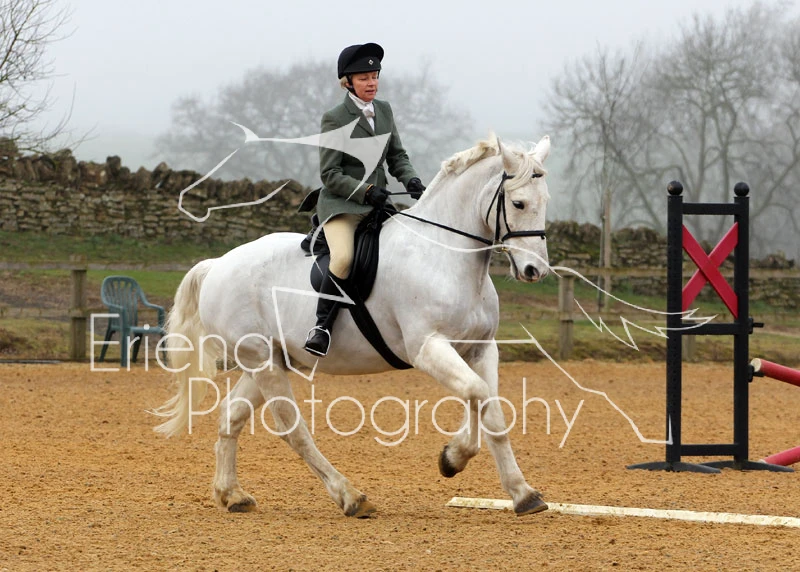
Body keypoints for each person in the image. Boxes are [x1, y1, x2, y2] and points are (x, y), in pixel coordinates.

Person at [304, 42, 426, 357]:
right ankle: (321, 328)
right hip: (343, 206)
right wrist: (367, 191)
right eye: (364, 78)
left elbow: (397, 156)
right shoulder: (334, 118)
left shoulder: (384, 110)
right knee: (343, 259)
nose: (371, 83)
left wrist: (411, 179)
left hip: (378, 204)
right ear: (348, 82)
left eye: (374, 77)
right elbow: (330, 174)